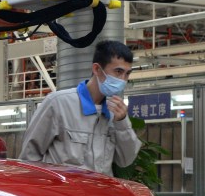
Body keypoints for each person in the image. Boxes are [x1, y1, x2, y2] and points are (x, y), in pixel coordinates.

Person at [18, 40, 141, 176]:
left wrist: (122, 123)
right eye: (118, 71)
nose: (122, 79)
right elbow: (29, 158)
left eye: (127, 74)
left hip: (99, 194)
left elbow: (126, 160)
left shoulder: (115, 113)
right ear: (96, 69)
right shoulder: (58, 104)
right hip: (64, 195)